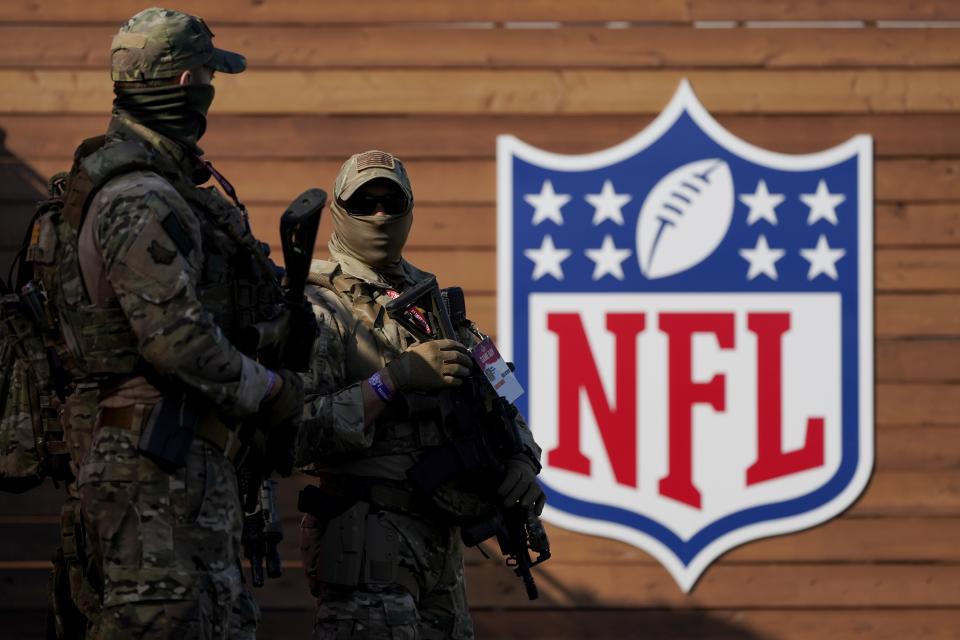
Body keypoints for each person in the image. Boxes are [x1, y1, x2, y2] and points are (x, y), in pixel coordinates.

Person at [46, 7, 304, 638]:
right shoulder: (141, 195)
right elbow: (176, 342)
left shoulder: (133, 181)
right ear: (189, 83)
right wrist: (269, 390)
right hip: (153, 469)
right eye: (211, 75)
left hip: (157, 463)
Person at [295, 150, 545, 639]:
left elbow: (506, 395)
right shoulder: (317, 305)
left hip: (440, 547)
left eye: (392, 201)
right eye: (365, 202)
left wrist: (523, 461)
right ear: (340, 211)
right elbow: (295, 433)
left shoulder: (440, 304)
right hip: (368, 539)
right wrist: (391, 382)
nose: (380, 213)